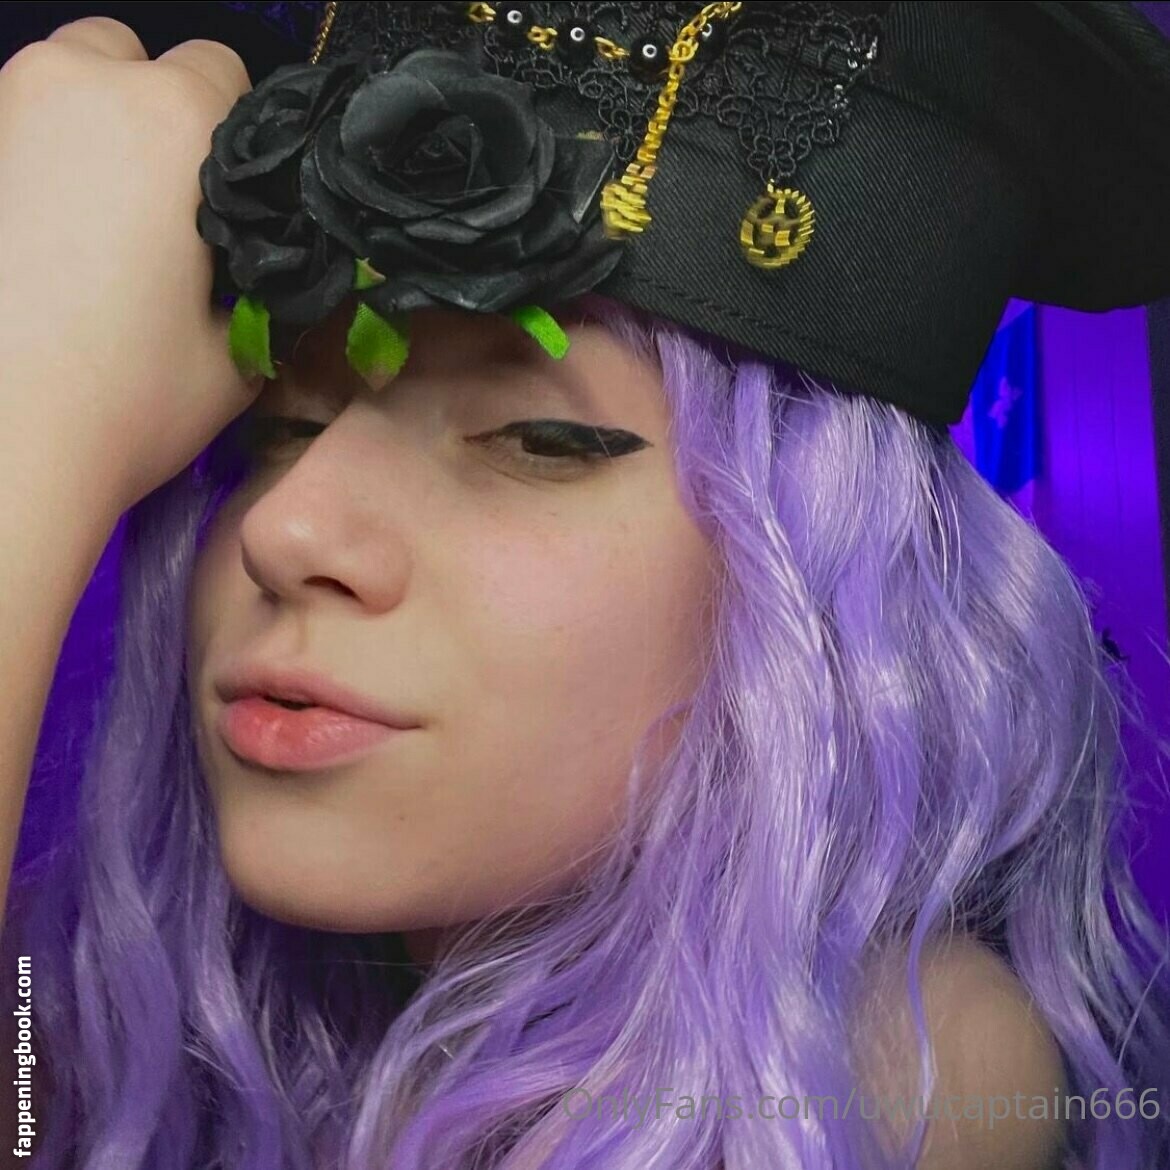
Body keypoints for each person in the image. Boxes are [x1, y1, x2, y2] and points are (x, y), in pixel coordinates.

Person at [0, 3, 1168, 1168]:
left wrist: (29, 422)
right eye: (279, 429)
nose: (284, 527)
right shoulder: (80, 1043)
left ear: (813, 597)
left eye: (535, 439)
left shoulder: (893, 1078)